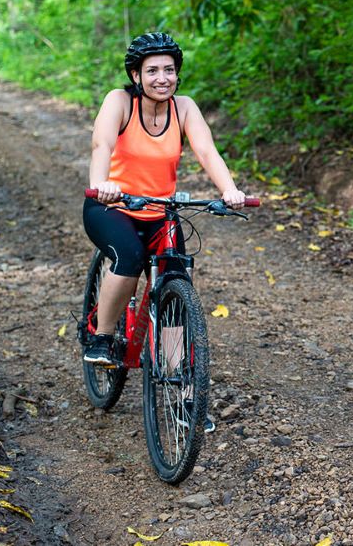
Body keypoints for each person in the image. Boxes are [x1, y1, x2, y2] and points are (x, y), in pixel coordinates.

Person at [82, 32, 246, 433]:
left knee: (175, 279)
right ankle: (103, 337)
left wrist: (229, 190)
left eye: (169, 70)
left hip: (161, 210)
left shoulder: (184, 108)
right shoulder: (119, 102)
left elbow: (207, 151)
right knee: (130, 258)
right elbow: (101, 145)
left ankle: (178, 386)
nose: (162, 78)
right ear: (136, 74)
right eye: (152, 70)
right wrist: (102, 183)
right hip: (112, 206)